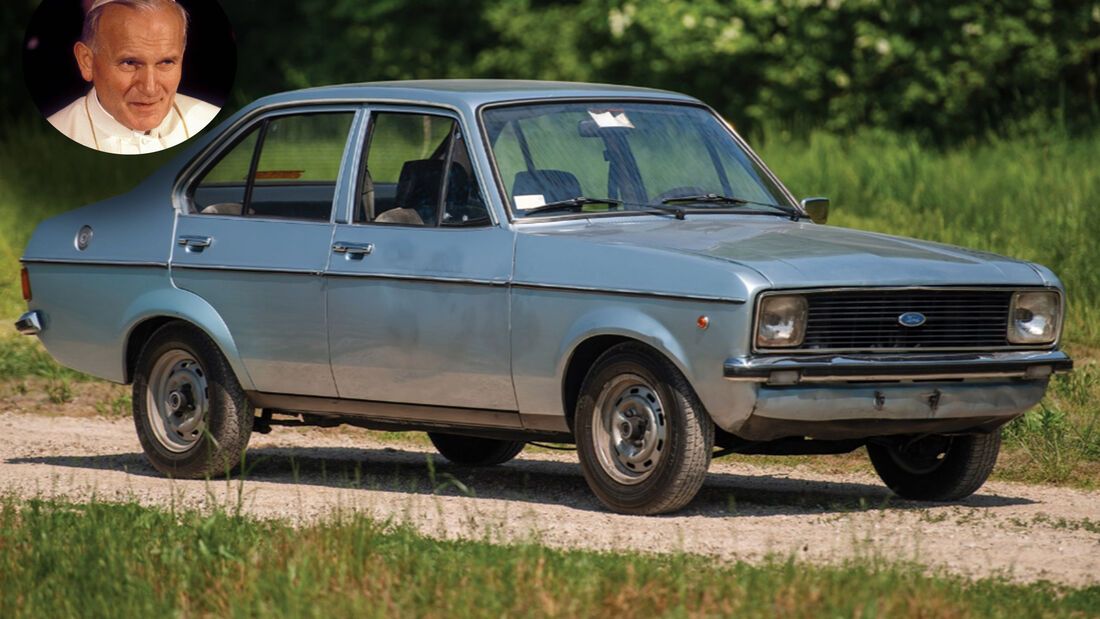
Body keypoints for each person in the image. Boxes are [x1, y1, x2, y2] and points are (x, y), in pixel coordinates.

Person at [47, 0, 219, 154]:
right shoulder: (52, 141)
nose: (150, 88)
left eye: (166, 62)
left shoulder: (213, 124)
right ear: (87, 62)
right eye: (129, 63)